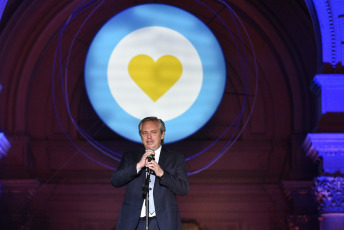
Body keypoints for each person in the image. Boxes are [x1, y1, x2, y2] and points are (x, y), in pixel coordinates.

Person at [111, 116, 189, 230]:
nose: (149, 137)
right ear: (140, 136)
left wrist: (162, 173)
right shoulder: (130, 157)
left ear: (162, 135)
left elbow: (183, 188)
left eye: (153, 132)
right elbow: (115, 181)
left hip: (163, 223)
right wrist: (138, 166)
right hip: (134, 223)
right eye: (144, 133)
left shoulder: (176, 158)